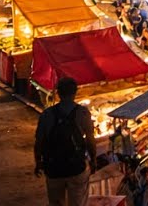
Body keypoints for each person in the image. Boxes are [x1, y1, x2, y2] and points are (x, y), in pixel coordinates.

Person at [34, 76, 96, 206]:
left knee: (56, 202)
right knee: (78, 202)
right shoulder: (83, 113)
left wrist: (38, 161)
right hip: (76, 168)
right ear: (75, 93)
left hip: (53, 168)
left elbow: (39, 140)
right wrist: (93, 159)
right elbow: (90, 139)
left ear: (58, 93)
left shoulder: (47, 115)